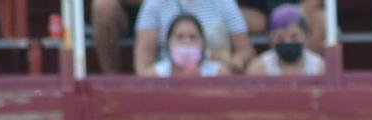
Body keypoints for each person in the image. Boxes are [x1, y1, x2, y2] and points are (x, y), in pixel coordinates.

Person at [96, 0, 254, 73]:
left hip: (213, 81)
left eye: (191, 38)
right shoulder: (154, 4)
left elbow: (245, 50)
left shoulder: (224, 2)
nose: (187, 42)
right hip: (165, 84)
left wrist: (233, 63)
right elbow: (143, 67)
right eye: (181, 37)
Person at [246, 3, 325, 71]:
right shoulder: (259, 69)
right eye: (280, 38)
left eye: (294, 37)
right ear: (270, 39)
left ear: (306, 36)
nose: (288, 42)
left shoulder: (320, 68)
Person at [152, 10, 229, 71]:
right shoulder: (154, 75)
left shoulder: (220, 73)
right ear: (168, 42)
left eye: (193, 37)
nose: (187, 42)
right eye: (180, 37)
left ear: (202, 42)